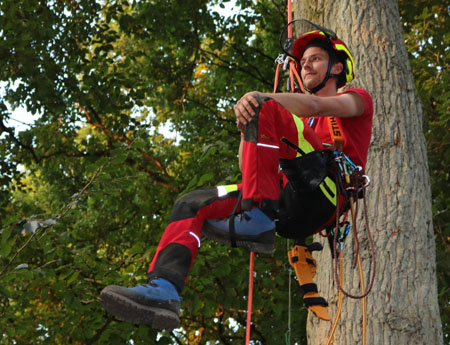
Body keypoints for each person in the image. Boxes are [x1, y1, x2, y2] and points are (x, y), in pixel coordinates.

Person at [100, 20, 373, 330]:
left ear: (337, 67)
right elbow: (248, 164)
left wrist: (258, 100)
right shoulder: (292, 123)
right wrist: (249, 124)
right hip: (286, 203)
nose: (306, 66)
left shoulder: (357, 100)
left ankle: (257, 213)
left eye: (315, 59)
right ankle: (165, 290)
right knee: (192, 204)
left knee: (264, 106)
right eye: (303, 61)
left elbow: (314, 105)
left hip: (324, 192)